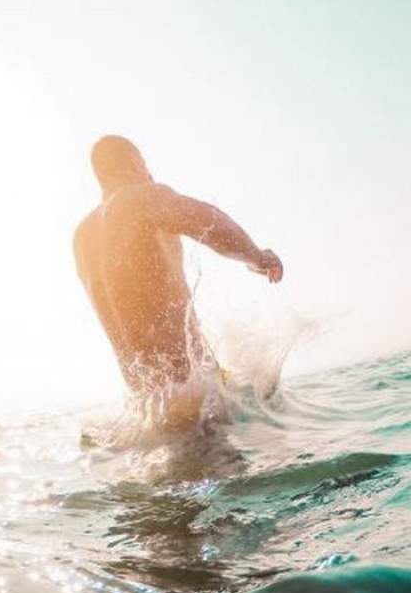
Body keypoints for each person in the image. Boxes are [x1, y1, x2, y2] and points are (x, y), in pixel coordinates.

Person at [73, 135, 283, 423]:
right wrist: (256, 257)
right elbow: (207, 220)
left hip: (149, 409)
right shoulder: (139, 197)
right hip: (191, 396)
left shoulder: (82, 239)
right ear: (136, 164)